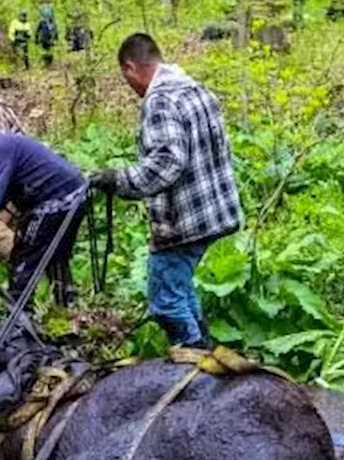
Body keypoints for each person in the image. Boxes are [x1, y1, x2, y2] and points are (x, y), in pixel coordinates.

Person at [88, 34, 243, 349]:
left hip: (183, 222)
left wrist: (118, 179)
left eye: (125, 77)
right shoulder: (195, 89)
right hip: (213, 213)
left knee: (166, 301)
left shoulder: (160, 100)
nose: (129, 86)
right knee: (180, 289)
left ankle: (194, 367)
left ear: (131, 68)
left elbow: (167, 162)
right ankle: (206, 350)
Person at [0, 133, 88, 306]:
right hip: (75, 195)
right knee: (56, 256)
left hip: (54, 200)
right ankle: (67, 307)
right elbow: (2, 193)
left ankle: (19, 319)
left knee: (23, 259)